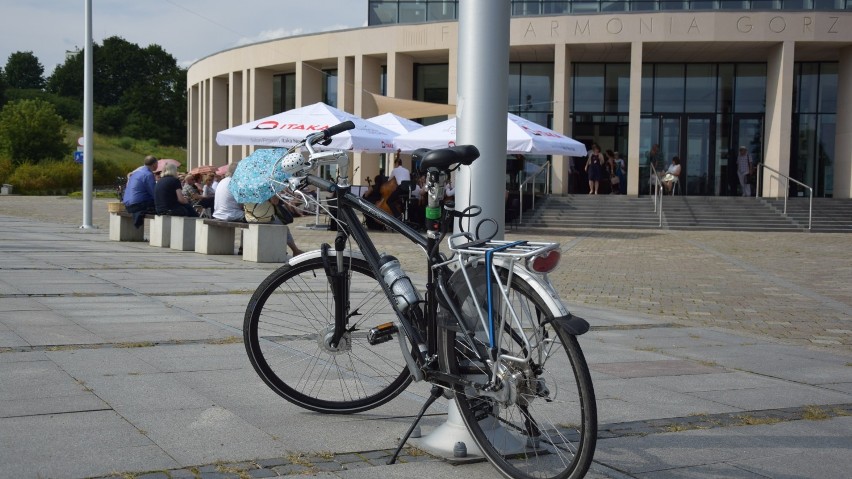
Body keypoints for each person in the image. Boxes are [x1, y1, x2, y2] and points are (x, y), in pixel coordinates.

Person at [123, 155, 158, 228]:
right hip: (138, 205)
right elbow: (154, 193)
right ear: (154, 164)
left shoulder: (136, 173)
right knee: (164, 207)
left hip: (127, 204)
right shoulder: (148, 174)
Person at [389, 150, 411, 218]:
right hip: (408, 190)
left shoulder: (394, 170)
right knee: (402, 202)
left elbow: (389, 180)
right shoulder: (407, 170)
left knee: (389, 201)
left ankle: (397, 215)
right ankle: (405, 215)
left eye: (395, 164)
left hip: (401, 188)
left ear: (396, 163)